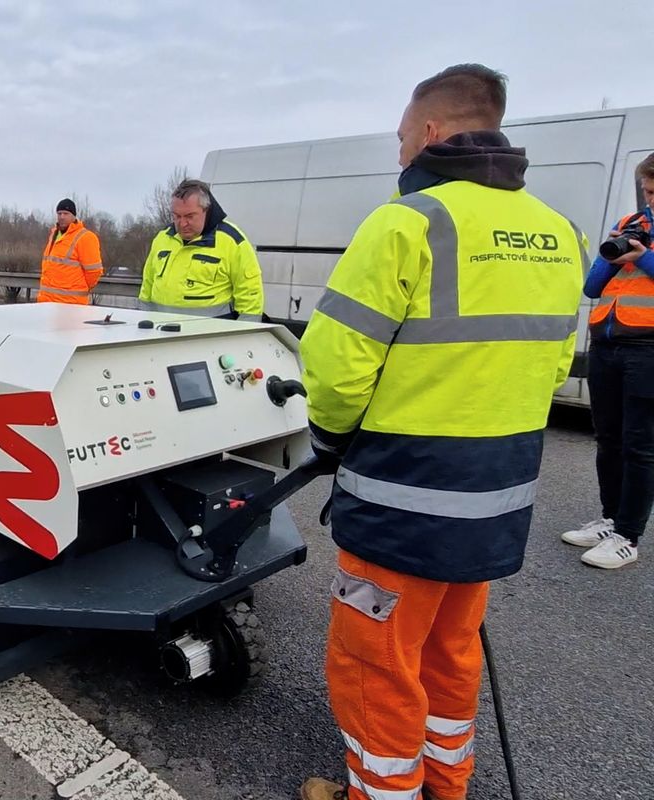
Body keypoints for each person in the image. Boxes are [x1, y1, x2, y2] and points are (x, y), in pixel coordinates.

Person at [297, 65, 586, 800]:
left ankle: (382, 794)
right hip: (496, 498)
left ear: (431, 131)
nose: (399, 154)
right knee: (450, 652)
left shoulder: (406, 222)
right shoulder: (559, 234)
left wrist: (329, 441)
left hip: (403, 497)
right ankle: (445, 784)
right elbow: (554, 366)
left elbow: (335, 367)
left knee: (377, 663)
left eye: (400, 138)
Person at [561, 154, 654, 569]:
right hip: (608, 343)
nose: (651, 200)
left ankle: (628, 537)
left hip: (648, 349)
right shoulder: (632, 223)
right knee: (608, 438)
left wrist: (643, 256)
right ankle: (611, 519)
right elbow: (593, 286)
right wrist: (612, 253)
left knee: (640, 445)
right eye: (649, 191)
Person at [138, 179, 263, 320]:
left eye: (190, 216)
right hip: (162, 333)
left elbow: (250, 295)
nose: (182, 223)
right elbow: (147, 286)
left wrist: (244, 336)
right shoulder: (163, 238)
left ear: (206, 210)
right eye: (177, 216)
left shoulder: (232, 241)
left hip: (210, 337)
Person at [36, 198, 104, 304]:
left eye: (66, 213)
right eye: (59, 213)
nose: (62, 217)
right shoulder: (54, 235)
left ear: (74, 216)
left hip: (71, 303)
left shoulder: (85, 237)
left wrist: (79, 287)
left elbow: (94, 272)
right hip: (47, 302)